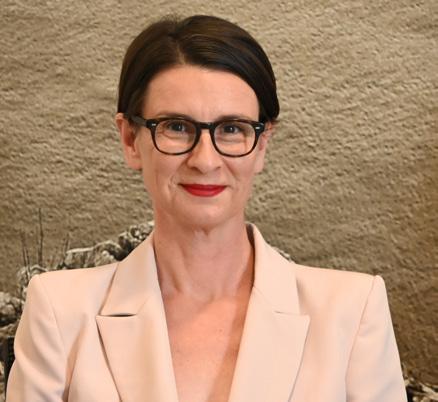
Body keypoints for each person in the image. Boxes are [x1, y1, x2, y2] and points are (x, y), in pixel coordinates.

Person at [6, 15, 407, 402]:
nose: (205, 160)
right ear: (130, 139)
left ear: (262, 144)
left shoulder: (353, 312)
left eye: (231, 129)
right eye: (177, 127)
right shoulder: (59, 312)